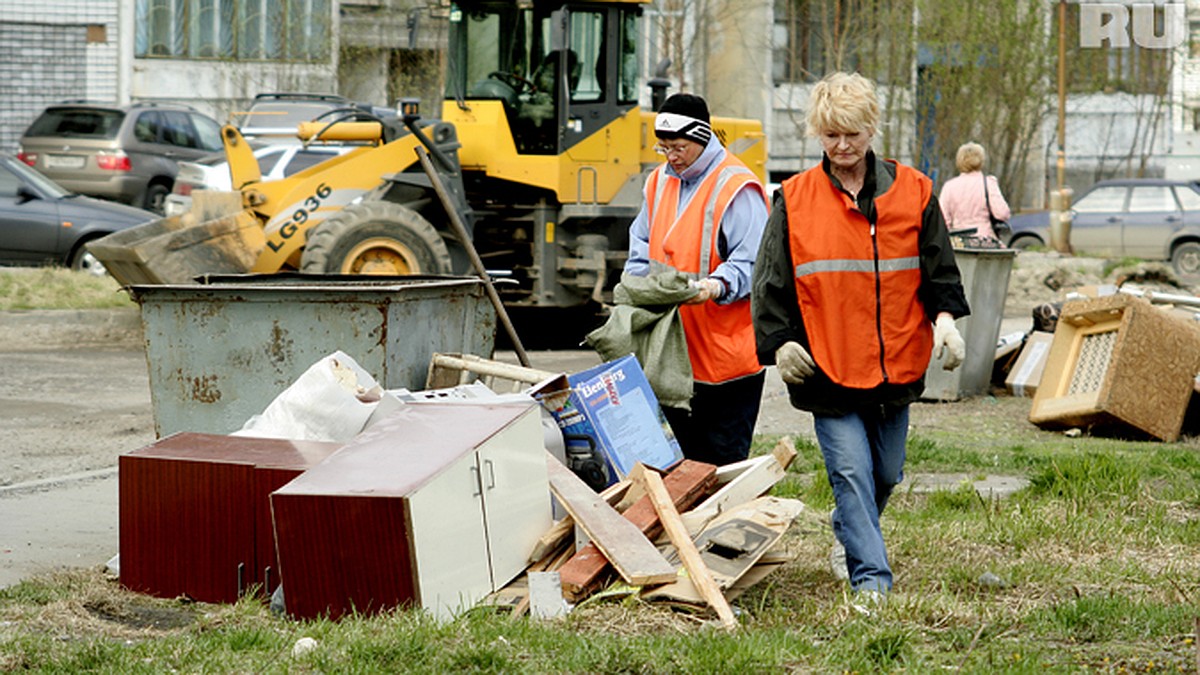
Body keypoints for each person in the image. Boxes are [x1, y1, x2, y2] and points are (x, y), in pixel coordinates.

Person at [751, 72, 969, 600]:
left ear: (872, 129)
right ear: (818, 135)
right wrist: (779, 342)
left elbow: (939, 270)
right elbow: (770, 281)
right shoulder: (796, 199)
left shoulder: (915, 191)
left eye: (852, 134)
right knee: (850, 471)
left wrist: (945, 321)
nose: (842, 147)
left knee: (886, 474)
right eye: (830, 136)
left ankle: (849, 530)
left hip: (896, 361)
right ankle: (871, 581)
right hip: (827, 365)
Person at [623, 93, 770, 467]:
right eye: (664, 147)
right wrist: (635, 284)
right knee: (683, 466)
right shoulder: (658, 182)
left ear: (702, 138)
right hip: (674, 356)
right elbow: (641, 242)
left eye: (679, 147)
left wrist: (715, 286)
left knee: (722, 467)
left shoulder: (737, 187)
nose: (671, 156)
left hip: (726, 364)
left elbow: (754, 262)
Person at [938, 142, 1012, 240]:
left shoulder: (949, 186)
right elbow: (1002, 213)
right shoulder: (988, 183)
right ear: (981, 161)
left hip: (959, 243)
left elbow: (942, 221)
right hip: (985, 241)